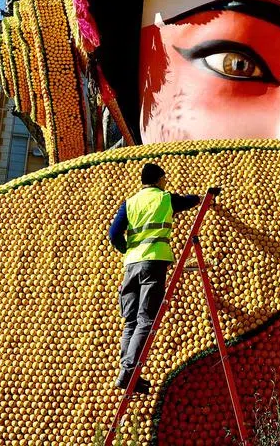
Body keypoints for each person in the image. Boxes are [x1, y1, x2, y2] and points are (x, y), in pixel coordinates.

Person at [108, 162, 202, 394]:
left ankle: (126, 371)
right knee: (145, 319)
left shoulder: (129, 203)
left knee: (130, 321)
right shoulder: (164, 199)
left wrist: (127, 250)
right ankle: (129, 371)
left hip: (131, 264)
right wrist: (204, 197)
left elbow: (113, 234)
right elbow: (187, 201)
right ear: (159, 179)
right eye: (164, 179)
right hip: (154, 262)